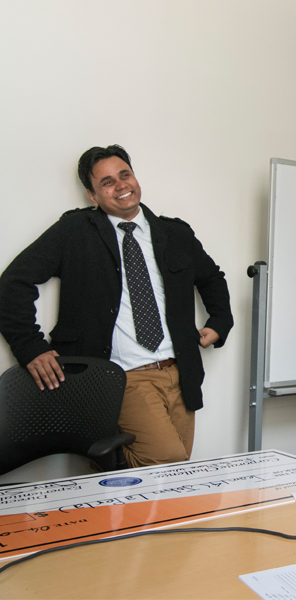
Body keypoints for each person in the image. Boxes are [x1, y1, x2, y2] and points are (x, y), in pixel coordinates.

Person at [0, 145, 234, 468]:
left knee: (177, 471)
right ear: (92, 196)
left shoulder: (174, 233)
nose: (121, 186)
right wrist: (30, 347)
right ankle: (101, 471)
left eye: (125, 175)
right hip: (124, 379)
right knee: (166, 459)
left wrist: (219, 322)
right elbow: (12, 283)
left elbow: (212, 278)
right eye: (107, 182)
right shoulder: (74, 232)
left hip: (181, 374)